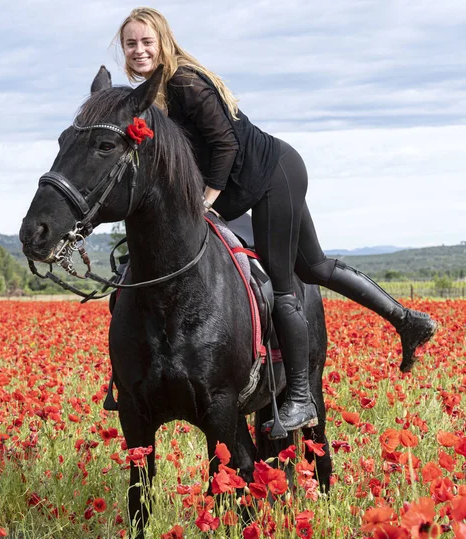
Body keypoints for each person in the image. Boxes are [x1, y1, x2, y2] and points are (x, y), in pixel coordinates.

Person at [114, 7, 437, 433]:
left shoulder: (183, 82)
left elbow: (224, 144)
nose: (139, 50)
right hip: (259, 177)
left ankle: (300, 397)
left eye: (146, 42)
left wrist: (205, 201)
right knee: (316, 267)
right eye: (131, 44)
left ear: (164, 42)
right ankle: (408, 320)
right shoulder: (157, 94)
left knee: (285, 285)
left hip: (272, 175)